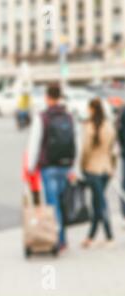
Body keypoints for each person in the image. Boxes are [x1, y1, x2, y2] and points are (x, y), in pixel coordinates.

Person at [27, 84, 77, 252]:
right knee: (62, 203)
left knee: (52, 204)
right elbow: (75, 141)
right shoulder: (69, 116)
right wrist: (73, 167)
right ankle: (63, 239)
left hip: (48, 167)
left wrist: (30, 166)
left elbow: (35, 142)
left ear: (47, 97)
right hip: (65, 165)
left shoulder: (42, 117)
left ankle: (56, 239)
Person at [80, 99, 116, 249]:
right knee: (97, 202)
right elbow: (113, 150)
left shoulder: (89, 127)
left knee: (100, 203)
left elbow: (85, 150)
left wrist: (82, 166)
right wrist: (113, 167)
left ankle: (109, 236)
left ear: (92, 109)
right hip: (106, 168)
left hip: (93, 169)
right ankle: (91, 236)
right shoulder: (108, 126)